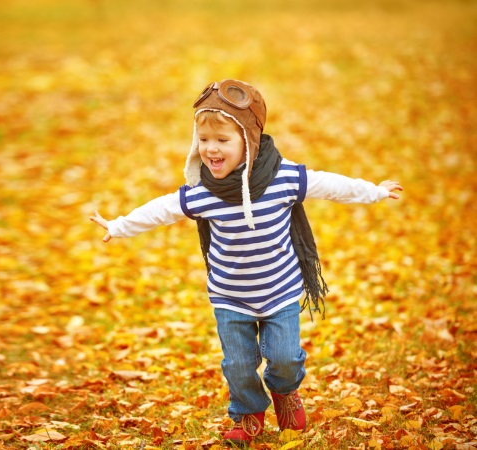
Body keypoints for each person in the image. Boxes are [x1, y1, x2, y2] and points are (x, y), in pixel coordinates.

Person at [90, 79, 403, 446]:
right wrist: (119, 226)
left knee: (284, 358)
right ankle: (248, 413)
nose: (211, 149)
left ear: (249, 142)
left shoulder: (284, 178)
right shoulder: (203, 192)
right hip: (229, 296)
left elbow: (330, 185)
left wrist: (375, 191)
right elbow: (161, 209)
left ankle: (285, 392)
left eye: (223, 140)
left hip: (280, 290)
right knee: (238, 366)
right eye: (204, 140)